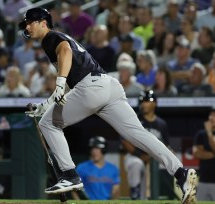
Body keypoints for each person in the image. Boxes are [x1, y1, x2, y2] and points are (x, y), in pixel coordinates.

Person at [19, 8, 197, 204]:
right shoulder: (57, 38)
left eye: (30, 22)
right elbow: (71, 81)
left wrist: (59, 83)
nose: (27, 27)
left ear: (43, 22)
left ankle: (69, 175)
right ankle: (181, 172)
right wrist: (46, 104)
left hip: (91, 88)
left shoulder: (50, 37)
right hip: (108, 85)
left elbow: (65, 51)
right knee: (139, 133)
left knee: (48, 124)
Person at [193, 106, 215, 201]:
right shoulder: (201, 134)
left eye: (214, 115)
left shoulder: (207, 133)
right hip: (203, 181)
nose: (211, 118)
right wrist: (212, 154)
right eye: (211, 115)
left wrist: (209, 133)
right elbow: (197, 153)